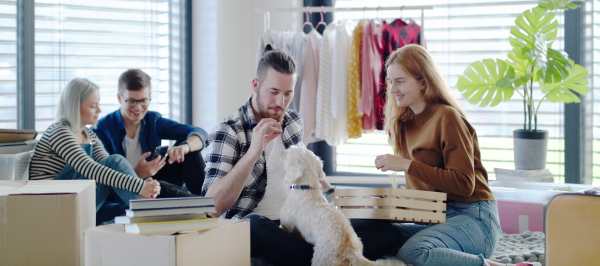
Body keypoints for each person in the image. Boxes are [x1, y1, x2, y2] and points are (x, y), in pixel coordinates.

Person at [202, 45, 399, 266]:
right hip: (259, 226)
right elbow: (212, 207)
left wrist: (331, 208)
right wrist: (253, 152)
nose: (281, 103)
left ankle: (320, 256)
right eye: (274, 92)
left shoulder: (293, 121)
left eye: (288, 93)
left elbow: (307, 176)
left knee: (384, 230)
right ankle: (329, 257)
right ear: (255, 85)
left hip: (299, 223)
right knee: (253, 224)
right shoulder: (227, 131)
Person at [374, 44, 505, 266]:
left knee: (413, 253)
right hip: (436, 219)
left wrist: (406, 165)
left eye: (400, 81)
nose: (392, 89)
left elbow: (464, 184)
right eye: (390, 82)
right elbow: (426, 192)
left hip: (475, 217)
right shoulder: (404, 124)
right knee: (373, 237)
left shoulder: (447, 117)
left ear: (423, 82)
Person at [29, 78, 161, 224]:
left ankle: (142, 206)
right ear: (75, 107)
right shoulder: (59, 132)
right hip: (52, 205)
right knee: (116, 161)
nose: (99, 110)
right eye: (93, 106)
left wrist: (143, 184)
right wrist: (140, 186)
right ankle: (144, 206)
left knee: (124, 212)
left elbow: (109, 168)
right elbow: (89, 168)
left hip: (75, 199)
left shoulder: (88, 134)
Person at [94, 68, 208, 196]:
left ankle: (208, 197)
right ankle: (207, 205)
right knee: (161, 186)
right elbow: (101, 179)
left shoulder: (152, 120)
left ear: (150, 97)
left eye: (143, 101)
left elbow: (200, 133)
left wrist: (185, 147)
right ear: (119, 98)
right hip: (124, 190)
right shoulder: (101, 130)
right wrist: (136, 173)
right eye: (131, 101)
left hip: (156, 181)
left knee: (187, 147)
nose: (138, 108)